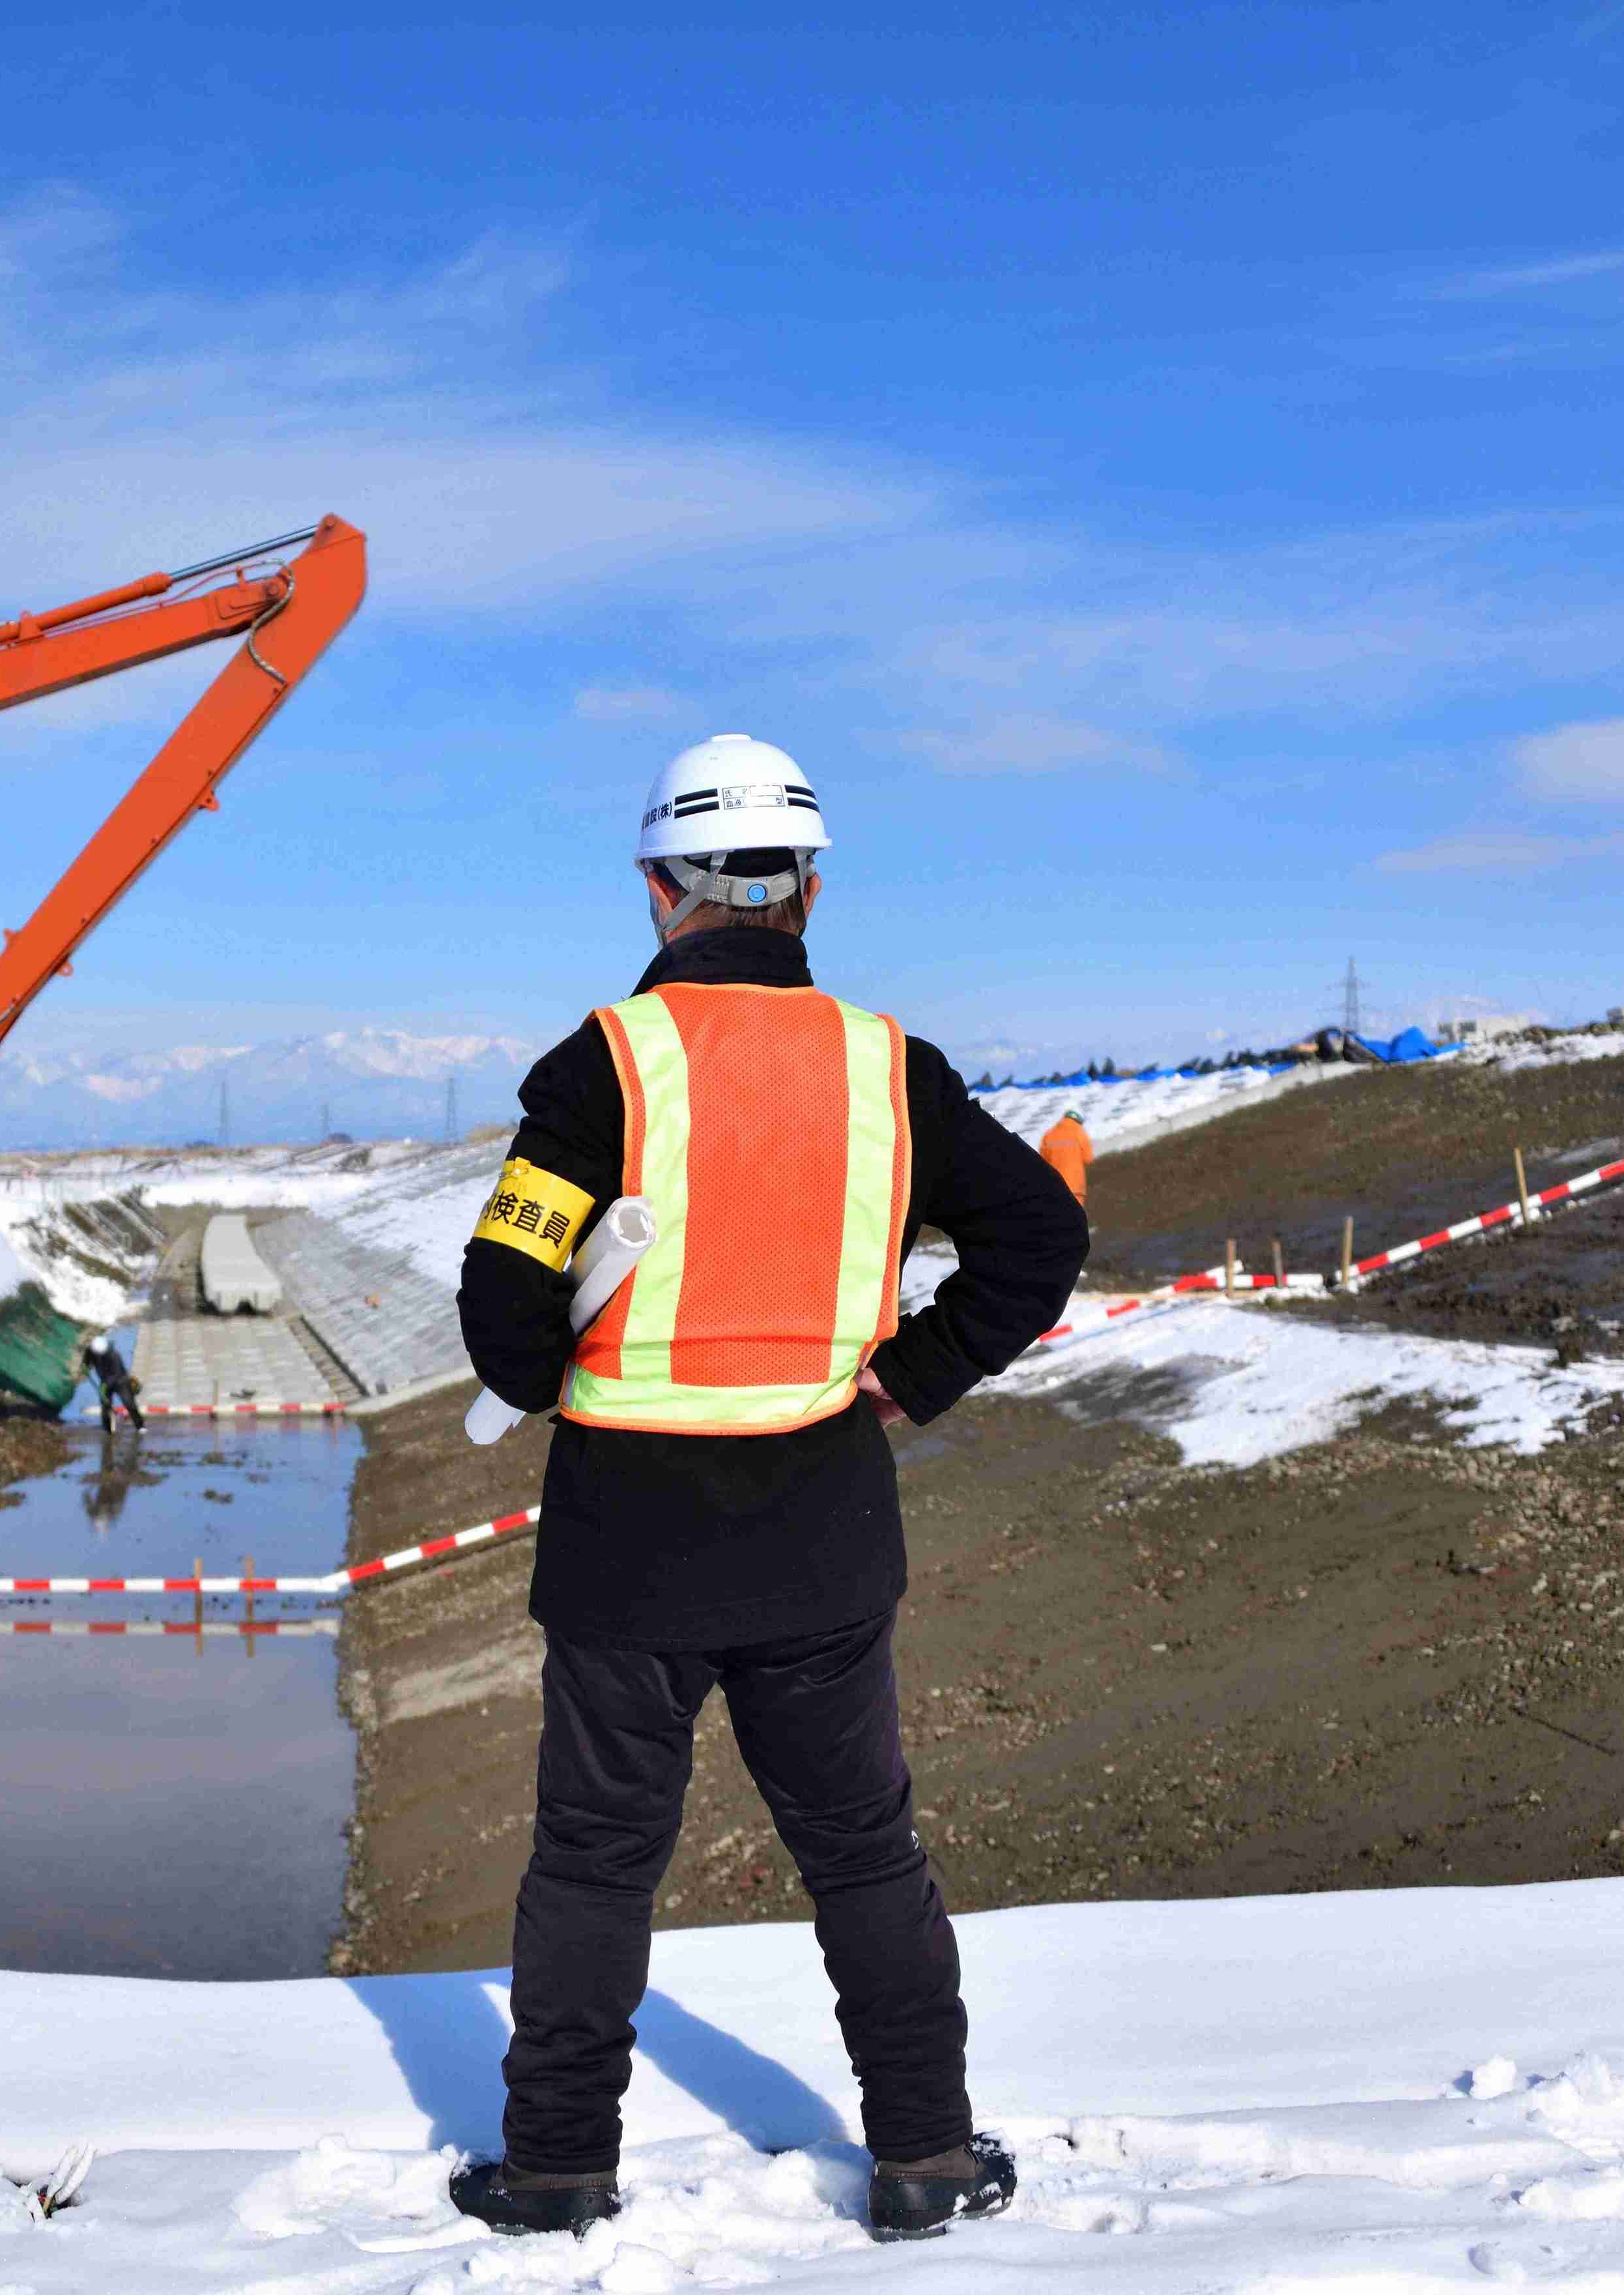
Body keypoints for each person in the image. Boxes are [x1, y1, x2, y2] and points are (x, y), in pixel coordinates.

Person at [447, 734, 1088, 2245]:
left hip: (626, 1548)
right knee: (863, 1852)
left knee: (595, 1863)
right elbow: (1036, 1244)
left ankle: (555, 2169)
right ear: (804, 887)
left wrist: (550, 1371)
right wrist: (909, 1375)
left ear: (662, 887)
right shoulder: (888, 1070)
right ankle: (924, 2153)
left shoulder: (602, 1065)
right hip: (818, 1531)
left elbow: (498, 1314)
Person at [83, 1328, 144, 1431]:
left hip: (121, 1381)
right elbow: (87, 1361)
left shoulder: (114, 1355)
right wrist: (86, 1367)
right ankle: (108, 1430)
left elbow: (116, 1373)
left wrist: (105, 1385)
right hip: (105, 1381)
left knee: (129, 1404)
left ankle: (140, 1426)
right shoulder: (91, 1350)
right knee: (105, 1407)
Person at [1037, 1109, 1092, 1208]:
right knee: (1076, 1217)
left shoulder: (1049, 1134)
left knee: (1059, 1216)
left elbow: (1042, 1162)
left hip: (1055, 1185)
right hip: (1075, 1186)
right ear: (1078, 1121)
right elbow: (1088, 1158)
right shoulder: (1079, 1132)